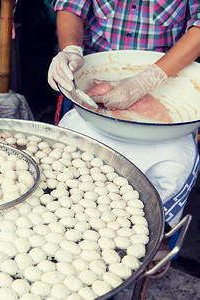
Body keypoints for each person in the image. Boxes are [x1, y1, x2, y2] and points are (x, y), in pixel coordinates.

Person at [47, 0, 200, 231]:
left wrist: (147, 80)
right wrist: (71, 49)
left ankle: (158, 235)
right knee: (72, 176)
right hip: (97, 74)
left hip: (167, 81)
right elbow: (71, 6)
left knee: (170, 168)